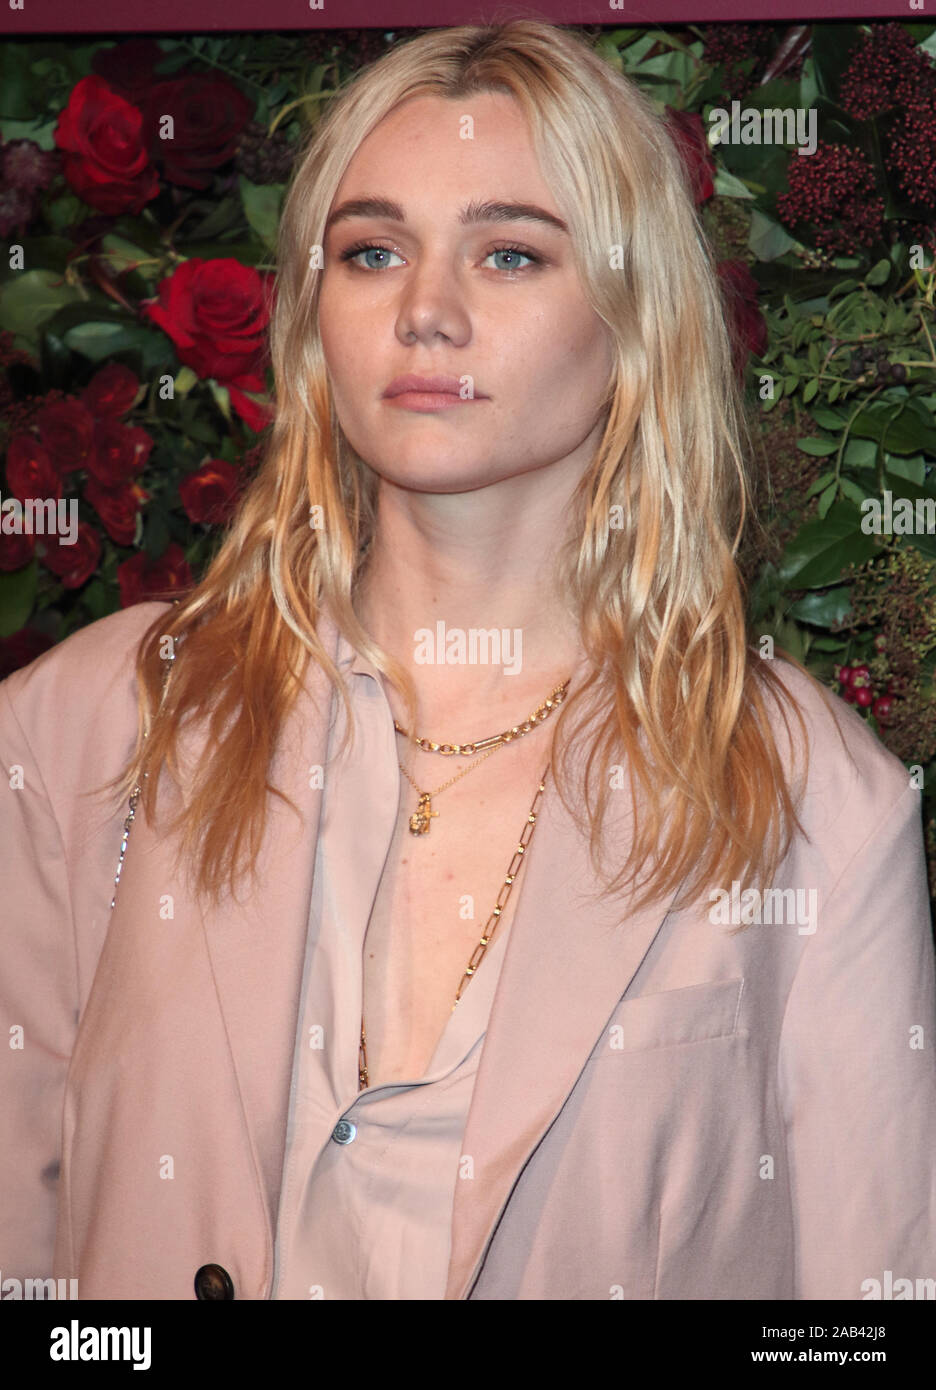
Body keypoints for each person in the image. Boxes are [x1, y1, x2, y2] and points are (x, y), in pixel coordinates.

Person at [1, 20, 934, 1302]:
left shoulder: (819, 801)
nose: (425, 313)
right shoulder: (80, 731)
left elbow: (872, 1295)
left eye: (509, 254)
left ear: (636, 316)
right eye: (372, 251)